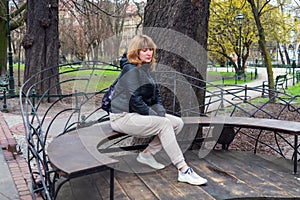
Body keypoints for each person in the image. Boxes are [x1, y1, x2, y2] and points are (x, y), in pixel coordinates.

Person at [109, 34, 207, 186]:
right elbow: (135, 101)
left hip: (136, 114)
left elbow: (157, 96)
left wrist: (160, 112)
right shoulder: (130, 69)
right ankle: (183, 169)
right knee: (164, 124)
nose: (149, 53)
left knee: (177, 123)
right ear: (136, 52)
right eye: (144, 50)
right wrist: (158, 118)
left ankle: (147, 154)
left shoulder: (146, 69)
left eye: (151, 50)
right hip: (121, 117)